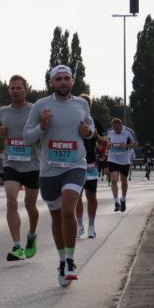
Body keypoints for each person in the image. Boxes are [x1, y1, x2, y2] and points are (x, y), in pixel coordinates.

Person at [23, 65, 94, 286]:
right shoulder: (41, 105)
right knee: (56, 218)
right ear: (51, 82)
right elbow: (27, 137)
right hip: (49, 170)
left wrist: (88, 133)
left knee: (67, 210)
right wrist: (42, 127)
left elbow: (90, 128)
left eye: (67, 78)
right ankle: (62, 260)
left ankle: (71, 260)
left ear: (72, 81)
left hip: (75, 166)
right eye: (59, 79)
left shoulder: (81, 104)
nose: (63, 82)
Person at [0, 75, 41, 260]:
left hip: (32, 163)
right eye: (12, 88)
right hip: (11, 162)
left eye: (18, 88)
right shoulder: (3, 111)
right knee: (11, 200)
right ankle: (17, 245)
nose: (15, 91)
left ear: (26, 89)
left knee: (30, 204)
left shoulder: (35, 109)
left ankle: (31, 235)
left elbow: (45, 130)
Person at [75, 93, 105, 239]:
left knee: (91, 195)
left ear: (89, 106)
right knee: (76, 196)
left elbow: (107, 142)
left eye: (85, 103)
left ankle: (91, 226)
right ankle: (79, 225)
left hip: (91, 163)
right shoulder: (72, 120)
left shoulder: (96, 123)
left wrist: (96, 136)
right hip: (75, 162)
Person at [106, 118, 136, 212]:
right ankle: (116, 202)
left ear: (121, 126)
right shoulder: (109, 132)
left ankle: (123, 199)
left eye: (117, 128)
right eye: (113, 128)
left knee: (124, 181)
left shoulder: (128, 131)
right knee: (114, 180)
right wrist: (107, 145)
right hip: (112, 159)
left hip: (124, 160)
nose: (115, 130)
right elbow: (105, 143)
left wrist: (126, 146)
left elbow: (136, 143)